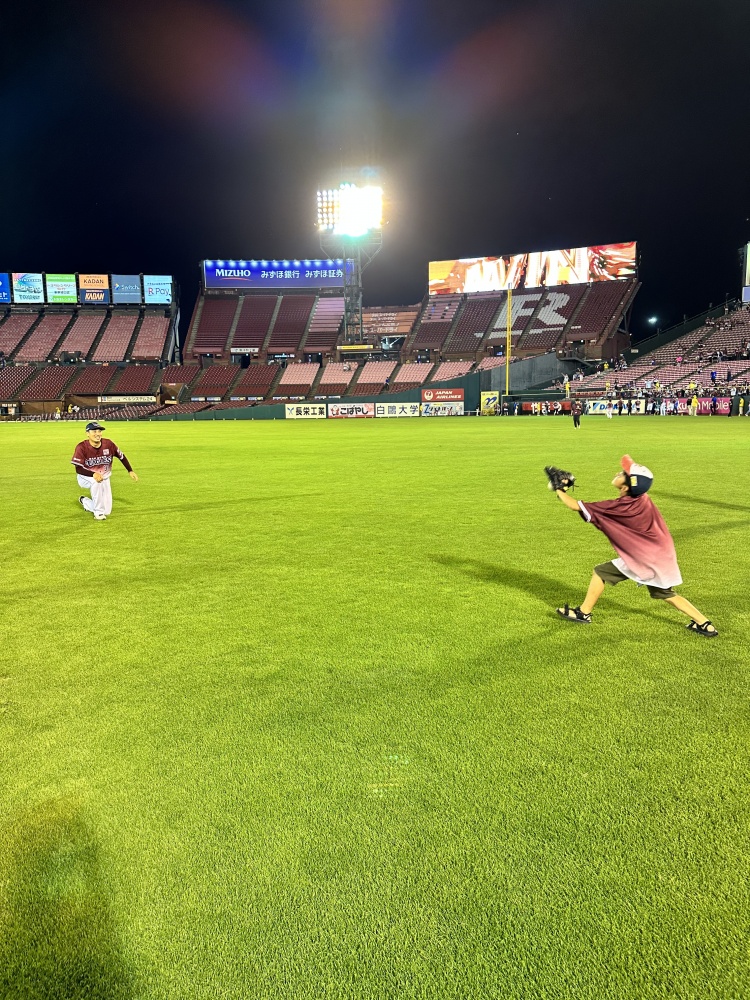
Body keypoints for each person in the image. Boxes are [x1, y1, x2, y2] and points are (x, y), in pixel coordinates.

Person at [552, 455, 718, 636]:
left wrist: (559, 489)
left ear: (625, 487)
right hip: (660, 556)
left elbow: (575, 506)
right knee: (664, 593)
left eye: (623, 474)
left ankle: (584, 613)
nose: (618, 472)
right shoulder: (642, 498)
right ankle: (705, 624)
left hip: (643, 558)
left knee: (601, 572)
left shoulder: (622, 506)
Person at [71, 421, 138, 521]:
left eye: (99, 431)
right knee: (96, 482)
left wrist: (130, 470)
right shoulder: (81, 447)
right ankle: (98, 513)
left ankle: (85, 502)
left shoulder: (108, 444)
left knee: (107, 511)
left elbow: (121, 456)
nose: (97, 434)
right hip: (85, 477)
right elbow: (78, 468)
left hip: (104, 478)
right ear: (87, 433)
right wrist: (93, 474)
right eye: (94, 431)